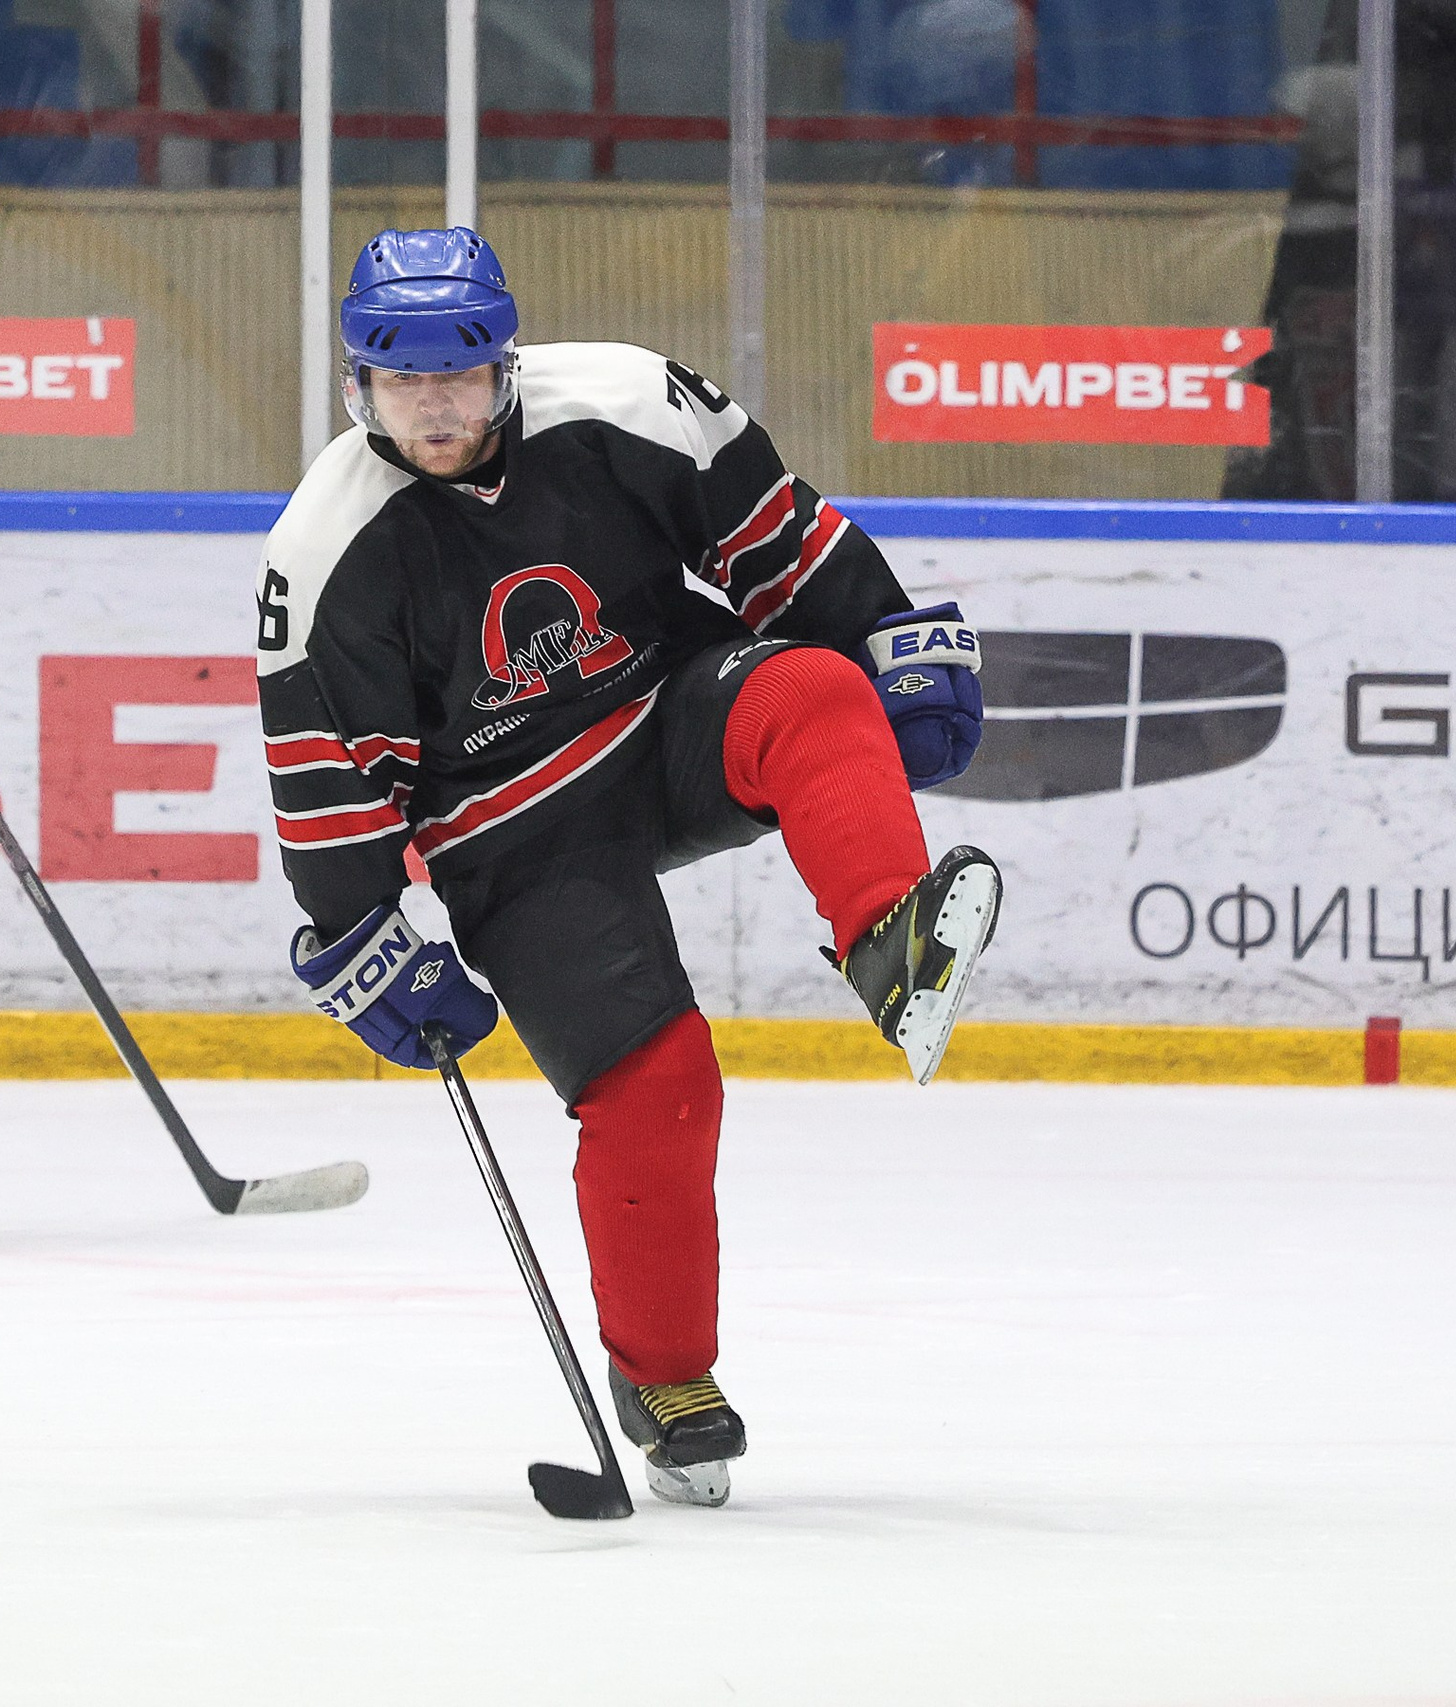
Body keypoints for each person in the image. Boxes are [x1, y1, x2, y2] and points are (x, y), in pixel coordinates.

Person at [259, 227, 1003, 1506]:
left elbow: (781, 545)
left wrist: (887, 638)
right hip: (508, 825)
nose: (434, 407)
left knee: (817, 688)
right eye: (402, 382)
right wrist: (358, 937)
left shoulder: (627, 403)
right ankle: (665, 1380)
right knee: (660, 1085)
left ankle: (893, 942)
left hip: (666, 716)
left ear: (507, 363)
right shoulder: (324, 552)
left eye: (459, 377)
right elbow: (331, 782)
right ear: (357, 385)